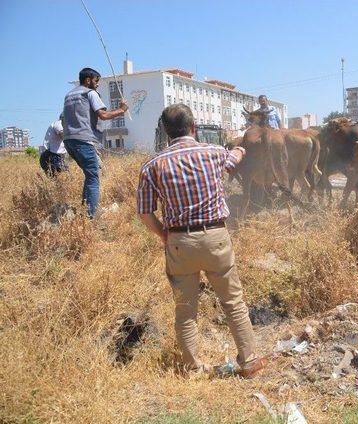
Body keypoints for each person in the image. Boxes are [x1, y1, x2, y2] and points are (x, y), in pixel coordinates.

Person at [137, 103, 267, 378]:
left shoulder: (152, 165)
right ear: (194, 127)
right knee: (233, 302)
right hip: (216, 237)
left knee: (185, 310)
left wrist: (164, 234)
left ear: (165, 132)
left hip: (178, 242)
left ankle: (193, 370)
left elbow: (145, 212)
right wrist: (241, 148)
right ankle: (250, 361)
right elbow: (232, 161)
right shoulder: (213, 153)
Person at [63, 67, 129, 218]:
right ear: (88, 80)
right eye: (96, 81)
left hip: (69, 141)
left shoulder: (69, 95)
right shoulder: (90, 93)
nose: (97, 84)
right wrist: (122, 110)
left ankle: (84, 213)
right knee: (93, 177)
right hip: (84, 141)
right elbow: (103, 115)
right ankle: (91, 218)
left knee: (89, 175)